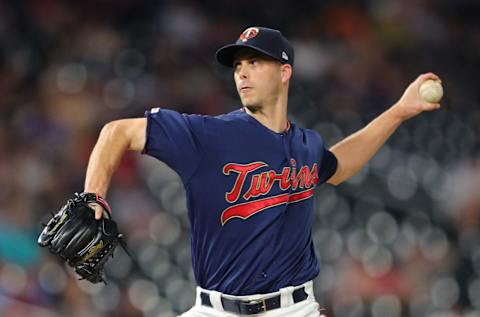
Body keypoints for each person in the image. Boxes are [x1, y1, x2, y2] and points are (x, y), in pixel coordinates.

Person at [83, 26, 441, 316]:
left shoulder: (306, 145)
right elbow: (117, 132)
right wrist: (93, 196)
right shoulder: (208, 135)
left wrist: (398, 111)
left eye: (254, 62)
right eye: (238, 65)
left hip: (294, 309)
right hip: (214, 310)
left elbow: (340, 166)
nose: (242, 72)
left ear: (285, 72)